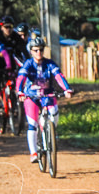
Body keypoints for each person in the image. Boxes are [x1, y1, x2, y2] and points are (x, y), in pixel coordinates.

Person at [16, 35, 72, 164]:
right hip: (31, 96)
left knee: (54, 113)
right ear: (31, 51)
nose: (39, 52)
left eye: (41, 49)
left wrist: (67, 89)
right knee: (32, 124)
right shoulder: (28, 64)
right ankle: (34, 152)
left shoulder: (49, 63)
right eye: (35, 50)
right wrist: (20, 91)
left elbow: (58, 76)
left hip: (47, 95)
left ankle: (50, 131)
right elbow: (21, 78)